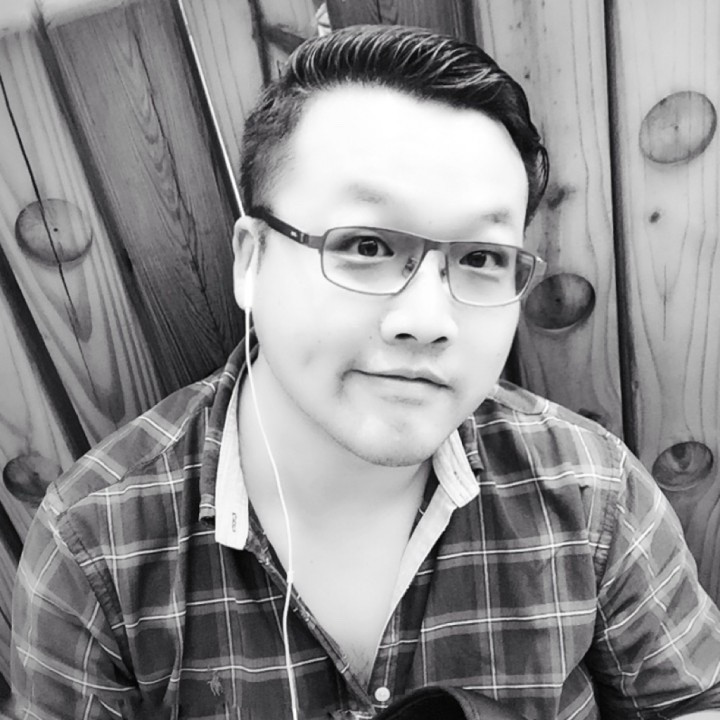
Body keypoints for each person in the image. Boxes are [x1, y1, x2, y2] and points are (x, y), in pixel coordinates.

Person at [10, 24, 720, 720]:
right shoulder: (98, 547)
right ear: (251, 262)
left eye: (479, 258)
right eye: (368, 245)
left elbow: (695, 698)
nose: (429, 318)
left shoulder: (591, 490)